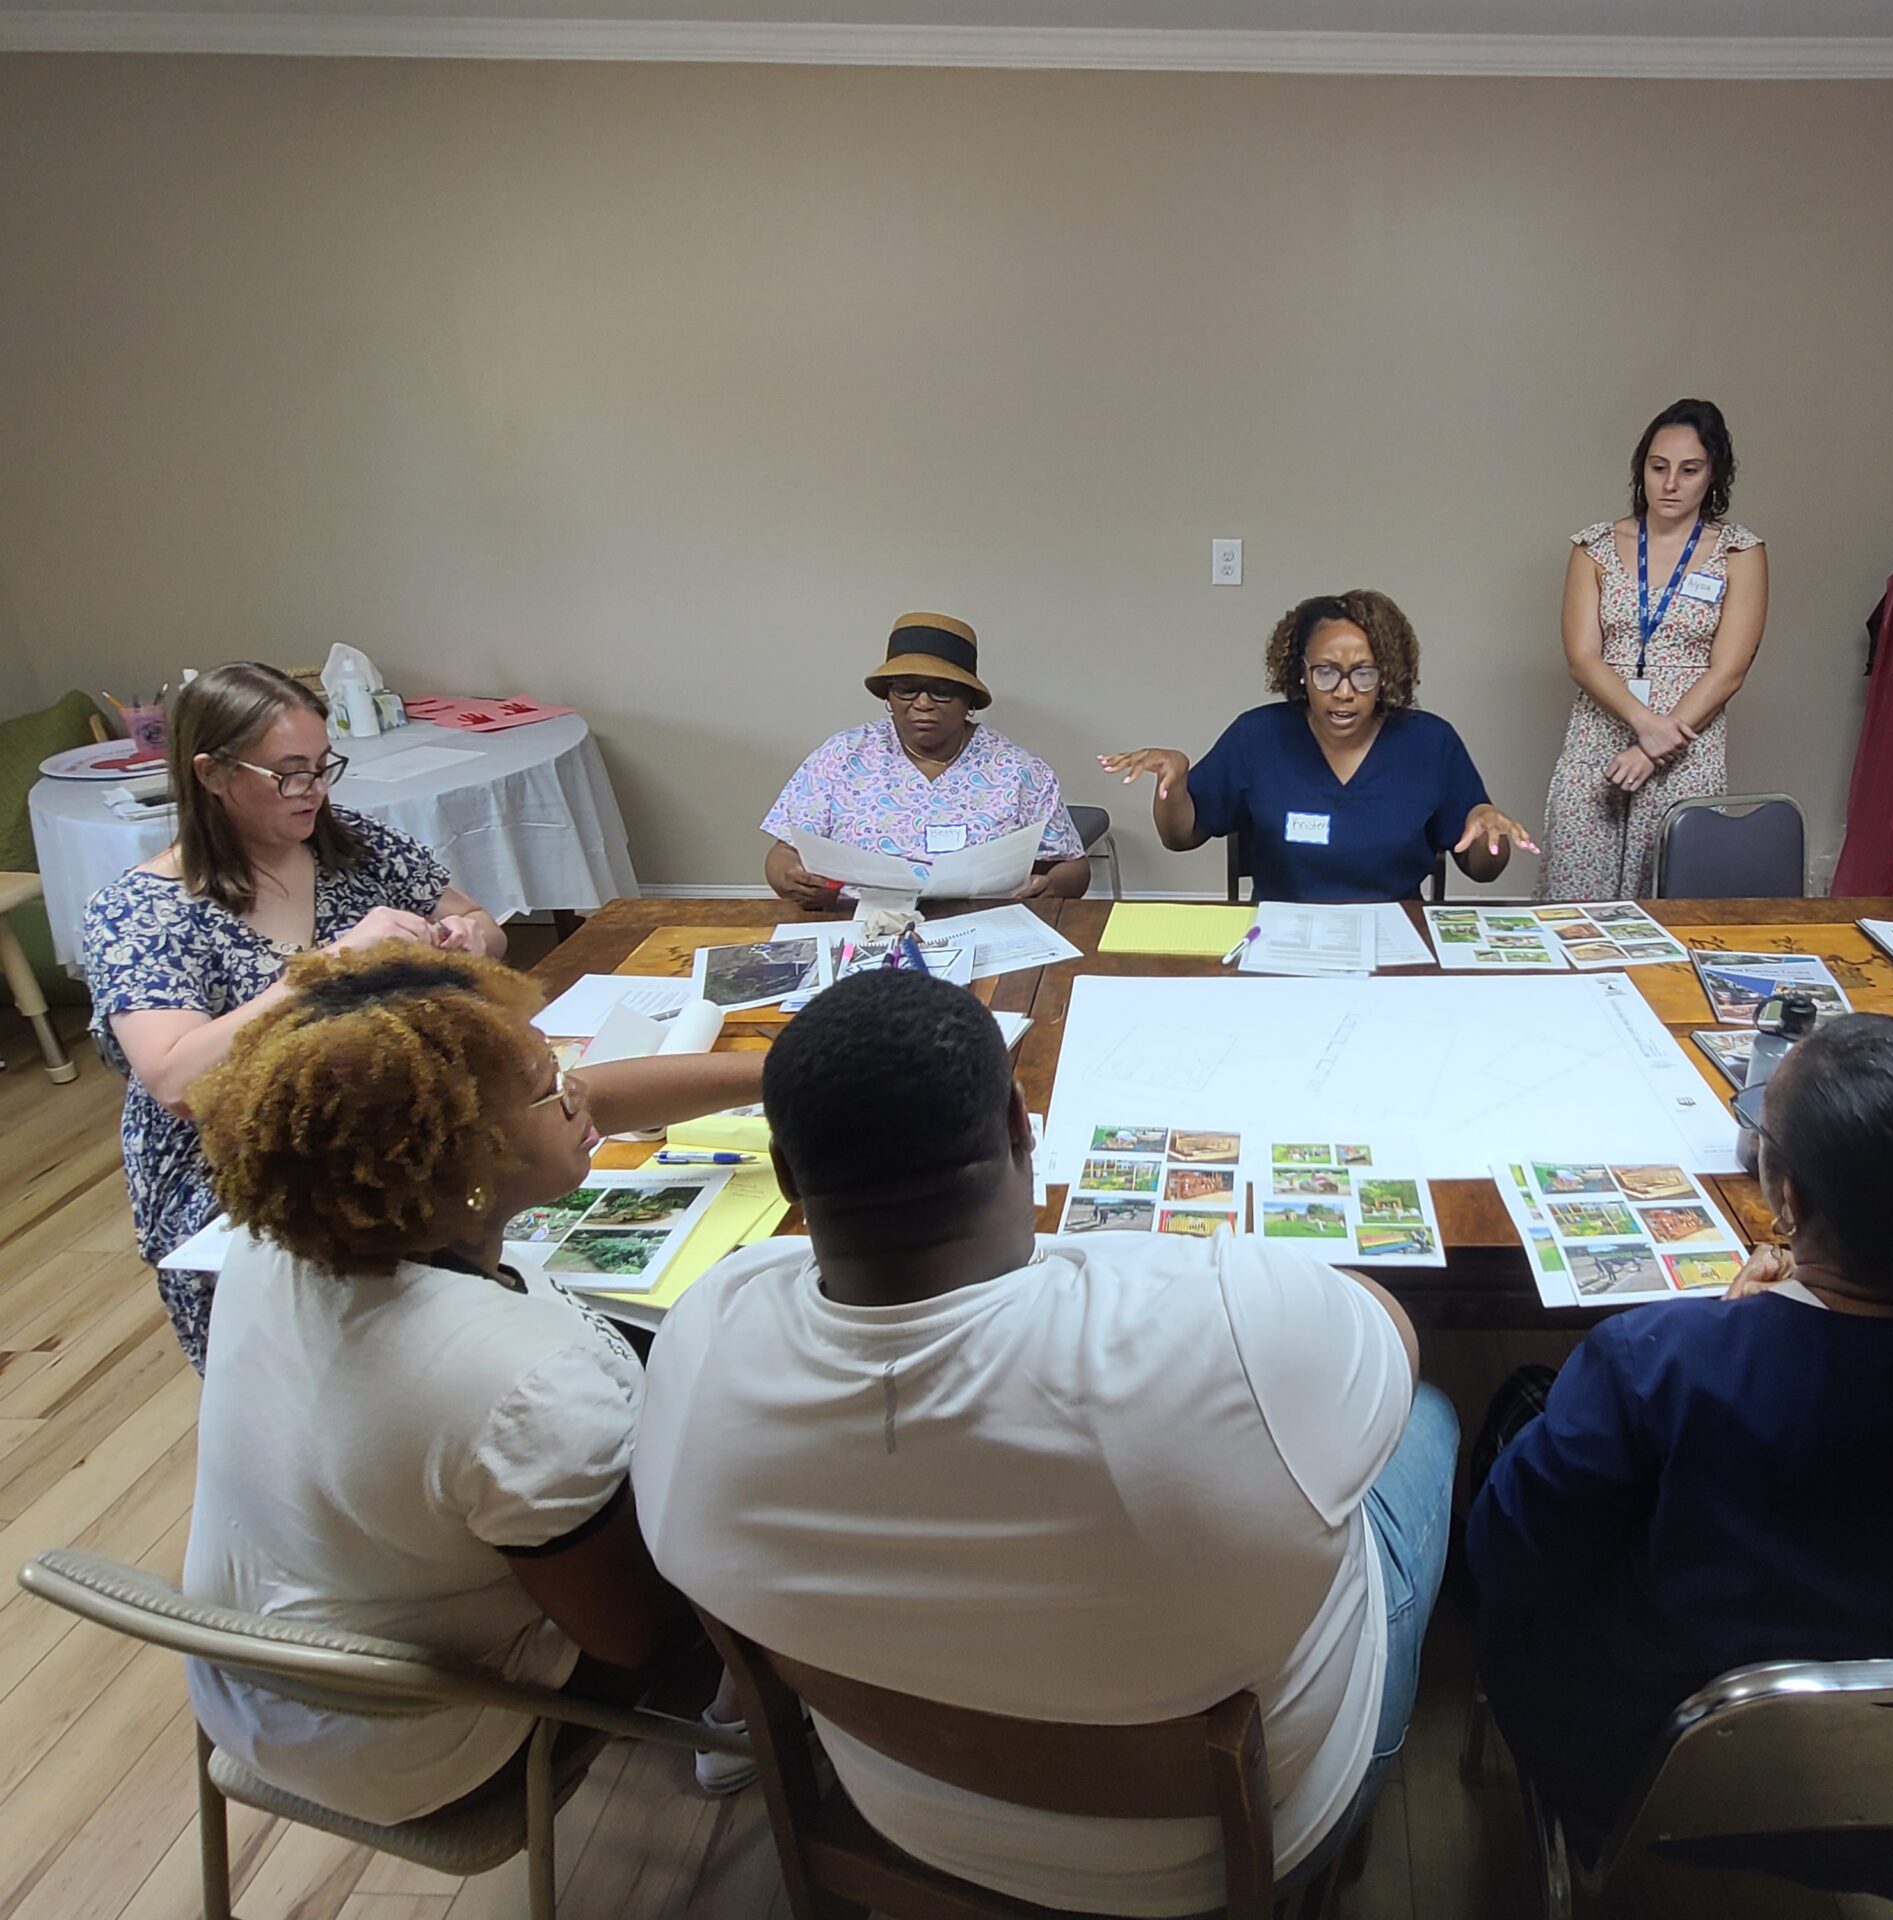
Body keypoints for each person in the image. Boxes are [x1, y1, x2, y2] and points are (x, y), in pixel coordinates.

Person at [631, 970, 1460, 1915]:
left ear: (785, 1174)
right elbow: (1389, 1327)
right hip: (1241, 1847)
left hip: (903, 1805)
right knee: (1424, 1410)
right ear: (1023, 1128)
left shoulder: (698, 1340)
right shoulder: (1234, 1322)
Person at [1468, 1015, 1893, 1909]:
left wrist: (1730, 1328)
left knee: (1520, 1422)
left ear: (1789, 1201)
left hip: (1661, 1761)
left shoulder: (1660, 1358)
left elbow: (1512, 1552)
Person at [182, 946, 767, 1825]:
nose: (580, 1094)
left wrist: (789, 1067)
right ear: (461, 1156)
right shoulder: (511, 1381)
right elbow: (637, 1633)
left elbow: (588, 1100)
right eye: (550, 1086)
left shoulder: (295, 1224)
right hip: (421, 1745)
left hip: (253, 1680)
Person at [82, 661, 505, 1372]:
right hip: (241, 1177)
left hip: (384, 1125)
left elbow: (473, 917)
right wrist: (327, 967)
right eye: (289, 774)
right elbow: (176, 1080)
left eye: (322, 766)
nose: (314, 791)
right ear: (211, 774)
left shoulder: (349, 848)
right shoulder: (141, 912)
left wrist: (470, 939)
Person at [1100, 590, 1537, 903]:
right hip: (1279, 942)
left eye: (1364, 673)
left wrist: (1488, 829)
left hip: (1396, 946)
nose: (1344, 691)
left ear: (1388, 675)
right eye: (1325, 672)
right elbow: (1180, 836)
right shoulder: (1258, 737)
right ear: (1300, 673)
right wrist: (1173, 783)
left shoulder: (1430, 743)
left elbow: (1482, 871)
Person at [1538, 398, 1770, 902]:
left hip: (1687, 745)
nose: (1670, 484)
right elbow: (1581, 657)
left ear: (1714, 475)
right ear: (1640, 467)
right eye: (1658, 467)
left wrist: (1654, 746)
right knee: (1577, 900)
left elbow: (1729, 670)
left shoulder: (1740, 553)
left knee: (1672, 901)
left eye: (1689, 470)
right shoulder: (1593, 546)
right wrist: (1643, 724)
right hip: (1598, 736)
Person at [762, 613, 1089, 910]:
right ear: (888, 696)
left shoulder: (1020, 771)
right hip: (858, 926)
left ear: (969, 701)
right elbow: (783, 854)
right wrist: (792, 879)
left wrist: (1052, 886)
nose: (922, 703)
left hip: (987, 923)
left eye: (942, 690)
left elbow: (1073, 868)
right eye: (906, 689)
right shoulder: (842, 756)